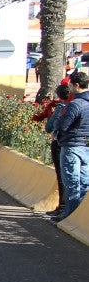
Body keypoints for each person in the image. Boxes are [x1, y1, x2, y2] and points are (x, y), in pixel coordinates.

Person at [50, 70, 89, 222]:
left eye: (71, 85)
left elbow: (62, 126)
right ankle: (79, 215)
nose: (69, 88)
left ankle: (69, 215)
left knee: (72, 183)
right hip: (86, 147)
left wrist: (58, 122)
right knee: (84, 182)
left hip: (72, 146)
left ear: (76, 86)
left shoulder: (75, 105)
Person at [34, 84, 73, 217]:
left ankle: (62, 206)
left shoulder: (61, 108)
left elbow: (50, 127)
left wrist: (50, 114)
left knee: (62, 175)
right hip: (74, 144)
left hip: (59, 143)